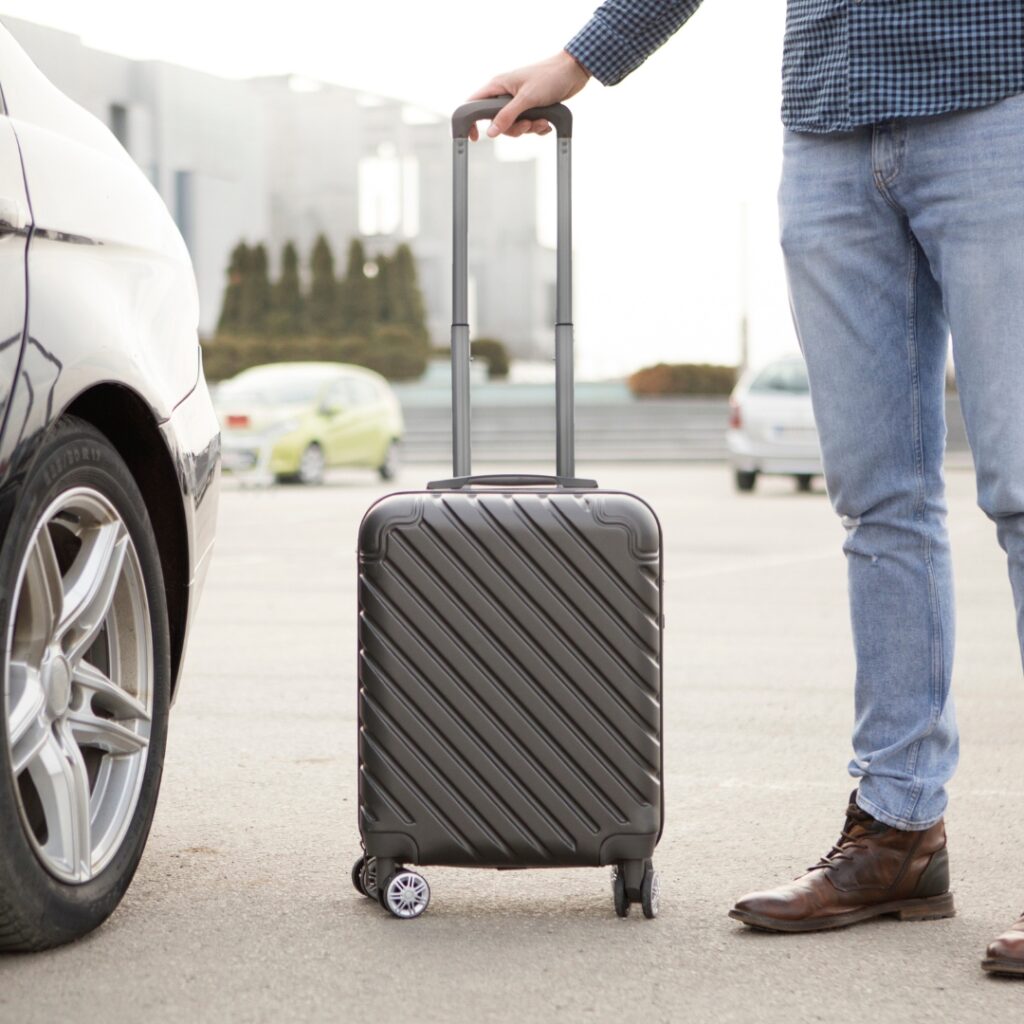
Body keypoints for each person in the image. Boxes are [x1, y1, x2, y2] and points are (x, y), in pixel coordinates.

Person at [469, 0, 1024, 977]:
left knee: (1021, 492)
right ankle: (899, 832)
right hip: (827, 127)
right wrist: (580, 60)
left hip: (995, 98)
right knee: (877, 503)